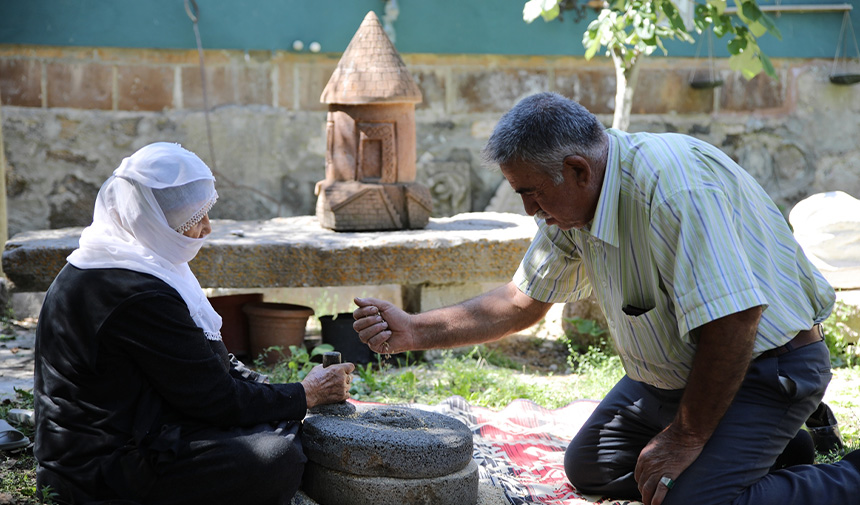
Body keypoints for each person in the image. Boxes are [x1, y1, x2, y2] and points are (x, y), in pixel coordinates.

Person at [353, 92, 860, 505]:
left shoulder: (673, 191)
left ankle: (845, 476)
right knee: (592, 467)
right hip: (672, 378)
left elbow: (735, 322)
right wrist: (413, 329)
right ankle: (777, 446)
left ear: (577, 169)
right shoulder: (573, 203)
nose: (531, 210)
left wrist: (686, 436)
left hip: (764, 368)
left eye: (531, 192)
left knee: (689, 499)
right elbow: (519, 303)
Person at [34, 142, 355, 504]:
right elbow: (215, 399)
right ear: (152, 220)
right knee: (275, 455)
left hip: (141, 426)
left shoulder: (132, 260)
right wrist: (304, 395)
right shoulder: (135, 293)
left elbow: (208, 362)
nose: (206, 228)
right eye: (192, 219)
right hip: (99, 469)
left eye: (205, 212)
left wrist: (283, 393)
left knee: (279, 426)